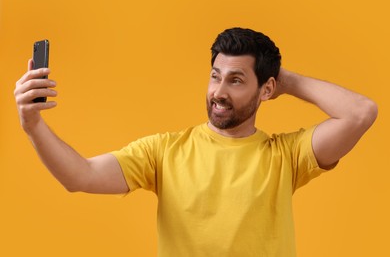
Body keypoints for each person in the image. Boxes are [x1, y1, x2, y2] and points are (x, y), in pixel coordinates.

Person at [14, 28, 378, 256]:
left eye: (236, 80)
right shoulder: (164, 151)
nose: (218, 92)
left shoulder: (285, 155)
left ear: (266, 89)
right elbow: (81, 176)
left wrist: (286, 80)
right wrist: (33, 124)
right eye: (215, 76)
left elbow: (360, 112)